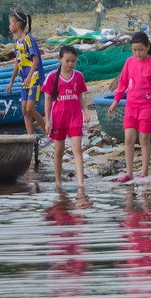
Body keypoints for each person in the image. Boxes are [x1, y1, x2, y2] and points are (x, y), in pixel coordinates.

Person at [111, 32, 151, 184]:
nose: (137, 53)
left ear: (147, 48)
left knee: (144, 139)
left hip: (147, 107)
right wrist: (116, 101)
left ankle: (144, 172)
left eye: (141, 50)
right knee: (129, 139)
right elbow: (122, 83)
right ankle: (129, 172)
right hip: (131, 106)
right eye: (134, 50)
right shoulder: (129, 62)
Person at [42, 45, 90, 192]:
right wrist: (48, 121)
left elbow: (81, 95)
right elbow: (48, 99)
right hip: (58, 118)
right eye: (67, 61)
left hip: (75, 117)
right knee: (59, 152)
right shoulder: (52, 77)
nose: (70, 64)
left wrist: (86, 111)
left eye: (73, 61)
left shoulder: (78, 76)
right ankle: (58, 182)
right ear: (60, 59)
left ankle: (80, 183)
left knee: (77, 150)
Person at [7, 11, 48, 139]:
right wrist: (12, 81)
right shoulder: (16, 43)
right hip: (24, 79)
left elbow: (35, 59)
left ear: (17, 25)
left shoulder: (28, 39)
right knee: (24, 110)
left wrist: (30, 76)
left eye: (10, 23)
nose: (9, 26)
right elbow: (18, 62)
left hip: (34, 77)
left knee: (30, 108)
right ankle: (31, 138)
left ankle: (48, 133)